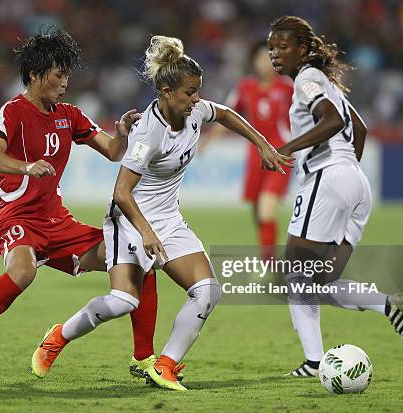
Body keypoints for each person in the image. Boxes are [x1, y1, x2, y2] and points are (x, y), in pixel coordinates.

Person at [30, 35, 291, 391]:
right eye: (189, 93)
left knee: (208, 291)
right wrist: (146, 233)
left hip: (168, 219)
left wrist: (262, 143)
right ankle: (59, 336)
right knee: (123, 301)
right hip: (130, 221)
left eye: (198, 91)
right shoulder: (147, 133)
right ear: (166, 92)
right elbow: (121, 193)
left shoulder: (194, 110)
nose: (196, 99)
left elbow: (227, 113)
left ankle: (164, 364)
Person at [0, 28, 160, 383]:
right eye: (59, 75)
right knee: (23, 272)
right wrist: (26, 166)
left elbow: (113, 152)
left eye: (67, 75)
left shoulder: (69, 115)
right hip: (19, 219)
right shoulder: (12, 112)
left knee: (137, 261)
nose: (65, 83)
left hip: (58, 223)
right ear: (36, 75)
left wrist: (121, 134)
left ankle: (143, 357)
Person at [267, 16, 403, 377]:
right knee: (319, 280)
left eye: (282, 47)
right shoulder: (325, 82)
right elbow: (360, 129)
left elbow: (333, 121)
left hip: (328, 179)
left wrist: (285, 148)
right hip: (354, 182)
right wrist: (346, 171)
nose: (274, 54)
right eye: (271, 47)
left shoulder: (307, 79)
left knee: (294, 274)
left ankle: (315, 362)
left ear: (302, 50)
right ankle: (387, 305)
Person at [201, 41, 293, 259]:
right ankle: (269, 258)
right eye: (261, 58)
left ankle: (269, 264)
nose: (265, 63)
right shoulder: (245, 88)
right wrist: (208, 139)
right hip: (255, 156)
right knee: (258, 211)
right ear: (253, 61)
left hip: (280, 154)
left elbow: (307, 114)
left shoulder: (288, 87)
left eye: (270, 59)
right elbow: (227, 116)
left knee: (266, 207)